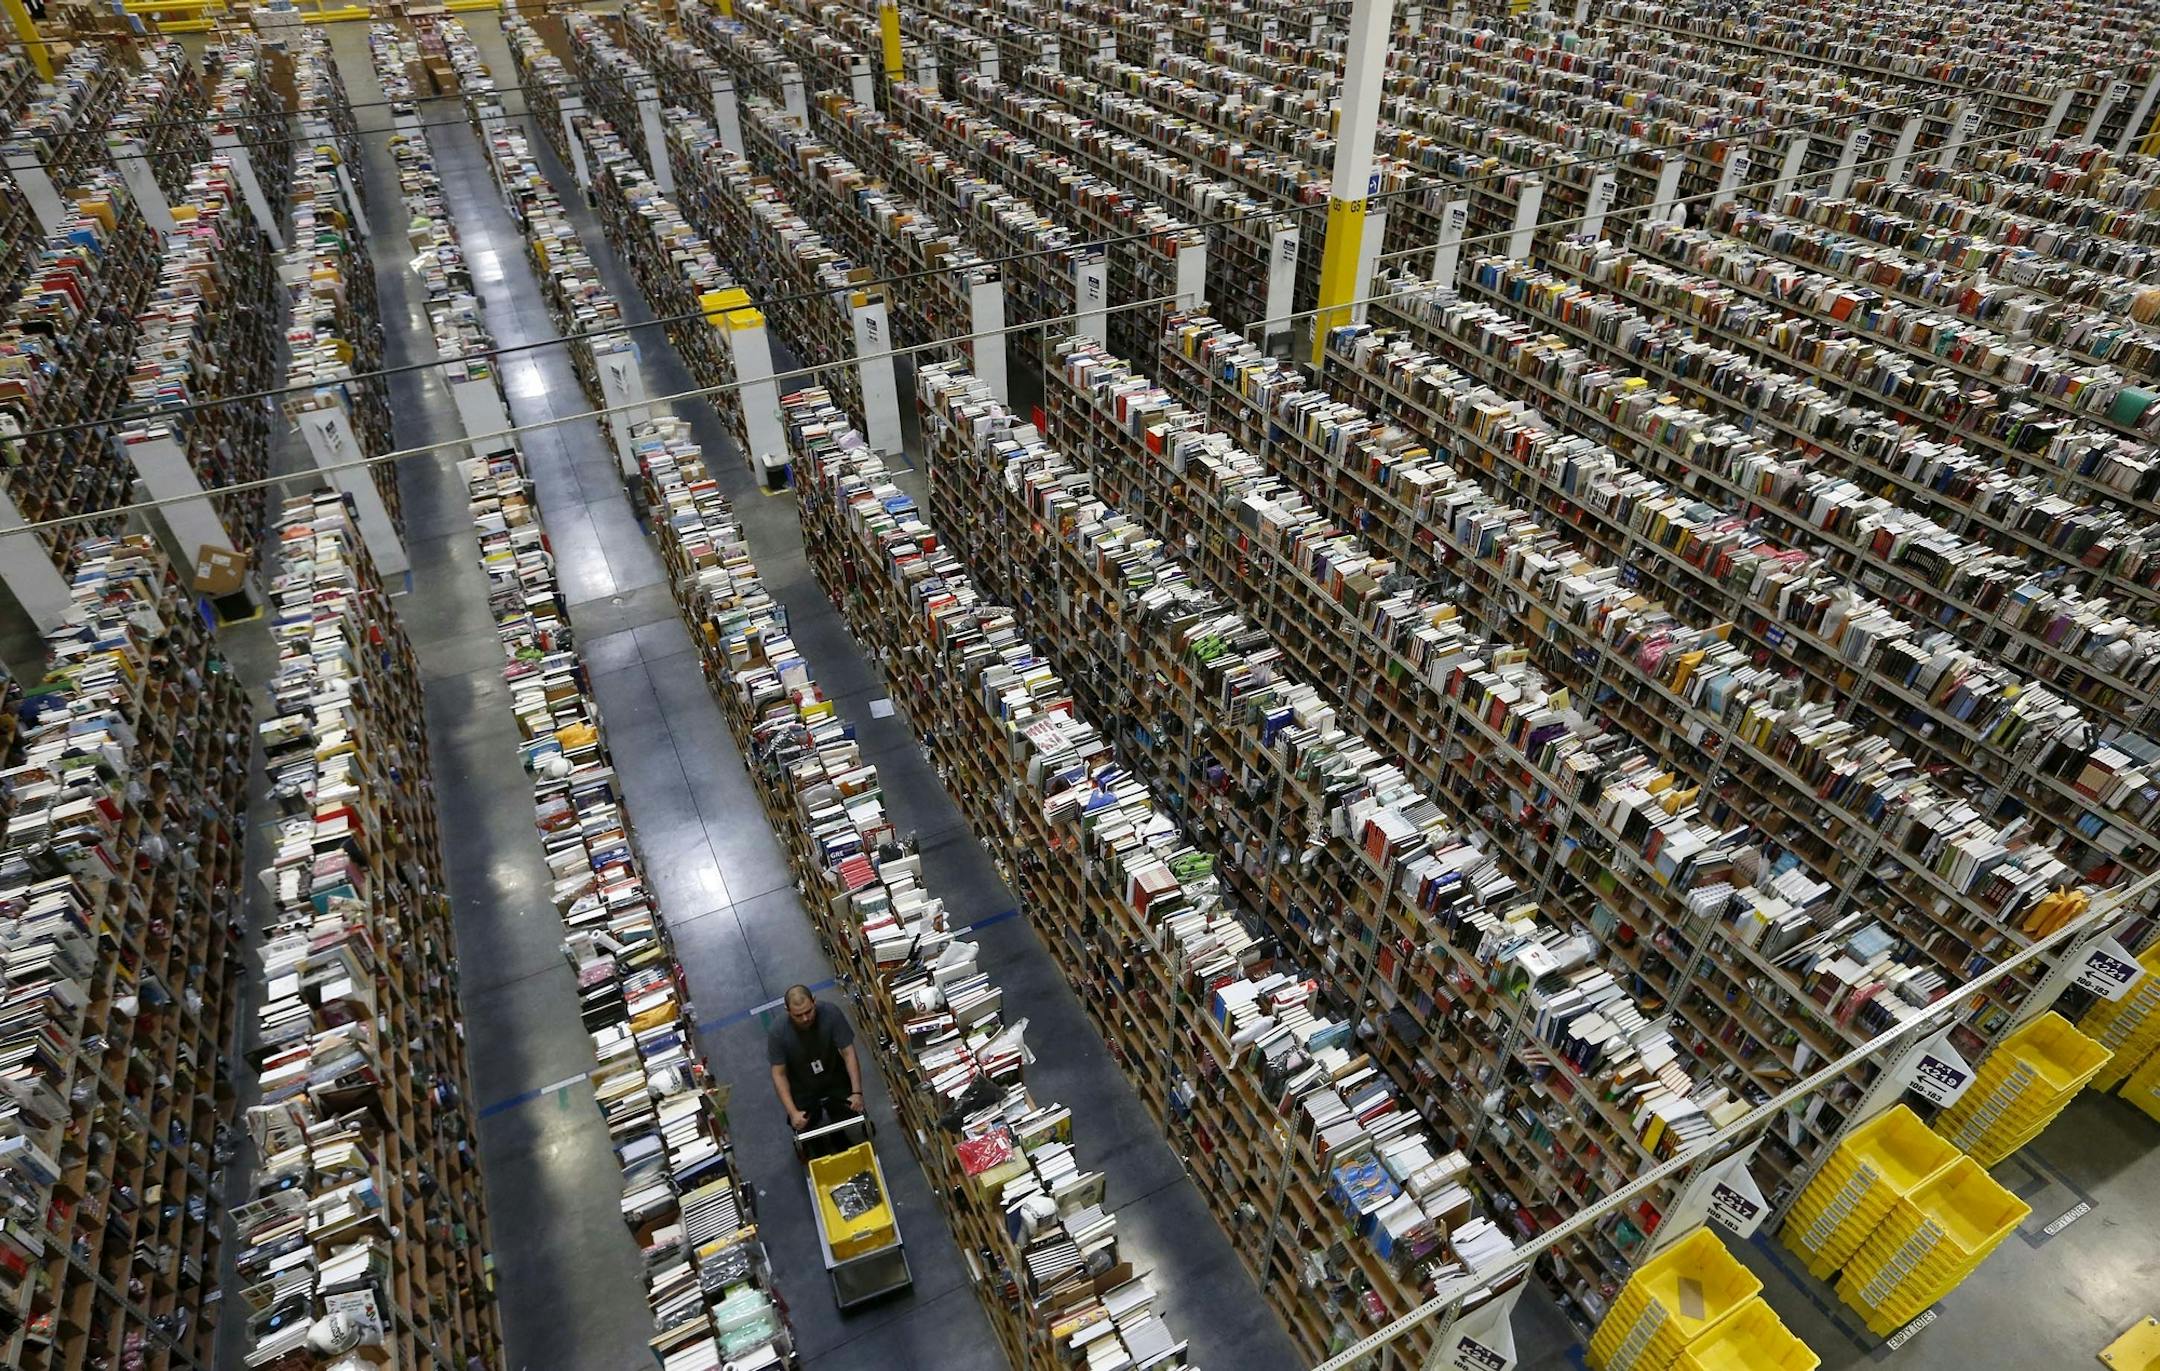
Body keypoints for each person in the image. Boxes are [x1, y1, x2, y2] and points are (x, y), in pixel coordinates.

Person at [767, 985, 863, 1136]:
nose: (805, 1018)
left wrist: (857, 1092)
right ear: (787, 1010)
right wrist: (793, 1112)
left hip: (833, 1074)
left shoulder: (831, 1013)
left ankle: (839, 1135)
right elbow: (779, 1074)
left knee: (847, 1112)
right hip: (801, 1083)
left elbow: (848, 1052)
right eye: (798, 1015)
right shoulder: (777, 1032)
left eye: (808, 1011)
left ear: (814, 1001)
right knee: (805, 1125)